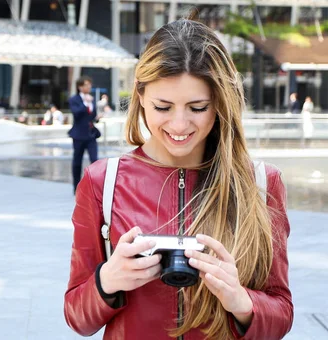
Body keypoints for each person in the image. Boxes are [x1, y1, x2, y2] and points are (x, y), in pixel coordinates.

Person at [64, 19, 293, 339]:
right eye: (163, 106)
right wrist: (107, 281)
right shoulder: (103, 182)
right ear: (141, 95)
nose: (179, 124)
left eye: (197, 107)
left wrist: (242, 302)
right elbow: (77, 317)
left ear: (219, 104)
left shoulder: (261, 184)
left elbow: (281, 312)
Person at [68, 76, 104, 194]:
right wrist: (85, 103)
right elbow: (76, 113)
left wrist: (96, 118)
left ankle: (95, 187)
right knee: (77, 161)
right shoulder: (74, 99)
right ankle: (76, 186)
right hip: (78, 135)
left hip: (91, 135)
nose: (89, 87)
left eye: (90, 85)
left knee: (95, 161)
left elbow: (90, 116)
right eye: (86, 85)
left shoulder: (91, 99)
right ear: (80, 87)